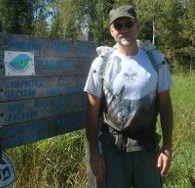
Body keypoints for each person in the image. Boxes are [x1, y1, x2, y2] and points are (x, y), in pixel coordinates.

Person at [84, 4, 173, 188]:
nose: (124, 30)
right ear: (111, 31)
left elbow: (165, 107)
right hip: (113, 152)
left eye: (128, 24)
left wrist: (167, 148)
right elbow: (92, 112)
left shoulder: (156, 62)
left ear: (137, 26)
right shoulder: (100, 64)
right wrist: (94, 153)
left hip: (148, 149)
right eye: (118, 26)